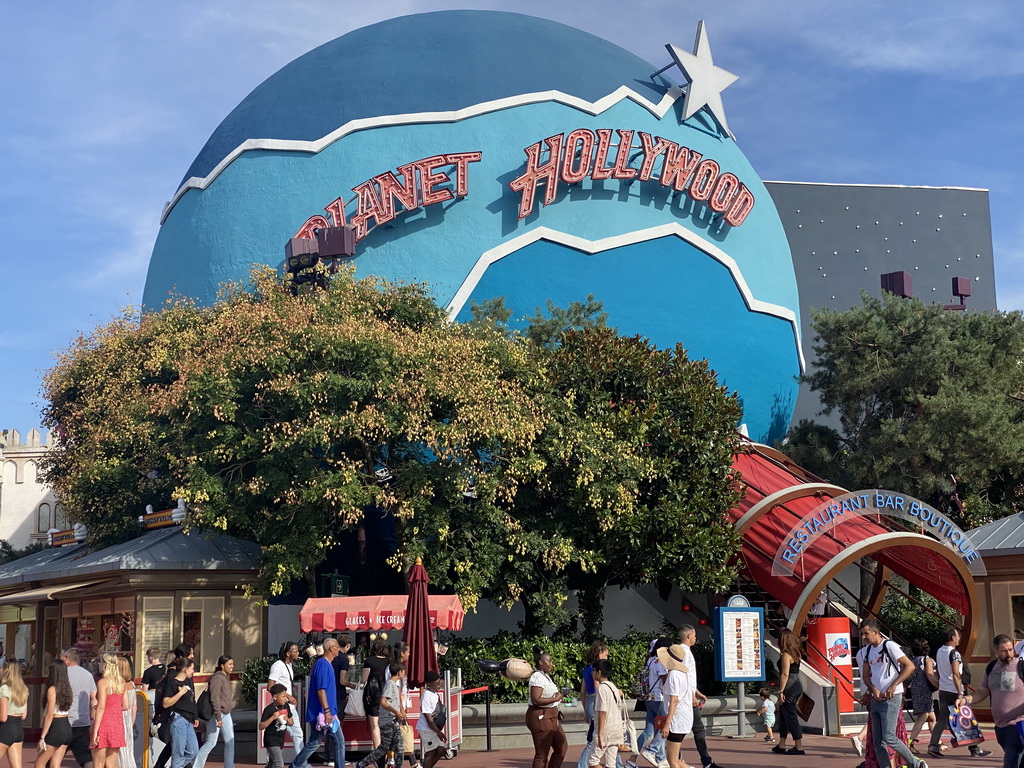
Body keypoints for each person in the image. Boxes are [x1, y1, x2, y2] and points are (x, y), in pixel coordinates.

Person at [856, 619, 927, 768]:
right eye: (862, 634)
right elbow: (865, 675)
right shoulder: (867, 651)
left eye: (866, 634)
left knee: (889, 736)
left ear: (875, 632)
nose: (864, 637)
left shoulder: (889, 646)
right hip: (876, 698)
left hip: (891, 698)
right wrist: (872, 689)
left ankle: (916, 763)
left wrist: (894, 685)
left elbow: (910, 666)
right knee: (877, 741)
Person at [927, 626, 990, 758]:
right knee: (966, 718)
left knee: (942, 720)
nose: (959, 638)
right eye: (957, 636)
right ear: (952, 638)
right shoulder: (954, 653)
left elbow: (938, 670)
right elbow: (956, 674)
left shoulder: (939, 651)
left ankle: (933, 745)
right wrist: (960, 692)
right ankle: (974, 748)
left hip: (944, 689)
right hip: (955, 690)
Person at [970, 633, 1024, 768]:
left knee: (1010, 762)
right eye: (1004, 651)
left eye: (1011, 649)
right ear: (996, 652)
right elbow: (982, 690)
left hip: (1017, 725)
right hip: (1000, 728)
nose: (1009, 654)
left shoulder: (1021, 667)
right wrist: (966, 699)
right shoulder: (991, 667)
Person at [290, 638, 346, 768]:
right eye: (337, 646)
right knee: (337, 741)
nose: (338, 649)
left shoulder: (325, 664)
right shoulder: (323, 664)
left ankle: (295, 765)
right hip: (322, 712)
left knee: (315, 742)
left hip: (326, 711)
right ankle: (295, 765)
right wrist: (327, 711)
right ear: (331, 648)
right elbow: (321, 690)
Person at [678, 626, 721, 768]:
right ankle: (706, 762)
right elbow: (684, 676)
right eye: (694, 635)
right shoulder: (685, 652)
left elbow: (687, 676)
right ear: (689, 636)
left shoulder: (682, 651)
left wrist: (696, 691)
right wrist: (692, 696)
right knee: (697, 730)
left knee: (682, 730)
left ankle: (676, 758)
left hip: (687, 695)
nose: (696, 638)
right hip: (686, 698)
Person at [356, 662, 405, 768]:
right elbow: (383, 701)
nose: (404, 674)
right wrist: (396, 712)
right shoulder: (390, 685)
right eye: (403, 672)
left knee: (399, 747)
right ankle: (362, 764)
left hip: (393, 721)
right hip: (387, 721)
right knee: (384, 748)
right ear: (399, 672)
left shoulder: (393, 685)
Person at [526, 649, 567, 768]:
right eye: (549, 661)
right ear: (540, 662)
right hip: (541, 717)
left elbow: (552, 696)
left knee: (561, 747)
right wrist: (555, 699)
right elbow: (536, 699)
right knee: (542, 754)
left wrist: (561, 699)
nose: (551, 664)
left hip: (552, 716)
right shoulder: (537, 677)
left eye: (551, 661)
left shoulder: (546, 677)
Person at [194, 655, 234, 768]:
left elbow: (224, 697)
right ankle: (197, 766)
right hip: (217, 714)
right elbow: (214, 698)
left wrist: (231, 704)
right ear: (222, 665)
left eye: (232, 664)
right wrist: (218, 717)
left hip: (226, 713)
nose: (232, 667)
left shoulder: (225, 677)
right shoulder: (217, 678)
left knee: (230, 742)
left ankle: (229, 766)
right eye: (229, 664)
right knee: (211, 743)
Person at [657, 643, 693, 768]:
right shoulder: (683, 674)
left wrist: (667, 724)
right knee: (676, 760)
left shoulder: (673, 675)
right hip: (683, 717)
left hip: (677, 719)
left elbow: (674, 700)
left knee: (672, 760)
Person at [772, 627, 805, 756]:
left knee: (790, 715)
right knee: (784, 714)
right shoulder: (796, 653)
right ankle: (782, 743)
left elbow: (785, 674)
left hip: (789, 685)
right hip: (796, 683)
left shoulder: (786, 654)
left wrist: (780, 691)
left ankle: (799, 746)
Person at [61, 648, 96, 768]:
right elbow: (93, 698)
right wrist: (93, 717)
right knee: (85, 756)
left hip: (64, 720)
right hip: (82, 720)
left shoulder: (63, 674)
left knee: (53, 755)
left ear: (66, 658)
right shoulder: (88, 675)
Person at [638, 638, 670, 768]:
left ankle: (635, 755)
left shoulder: (650, 660)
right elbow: (666, 681)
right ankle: (651, 751)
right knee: (665, 728)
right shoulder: (660, 662)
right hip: (659, 698)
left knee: (649, 730)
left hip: (649, 699)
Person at [91, 653, 126, 768]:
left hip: (104, 722)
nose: (99, 664)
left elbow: (101, 707)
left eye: (101, 662)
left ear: (106, 665)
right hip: (117, 723)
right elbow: (126, 705)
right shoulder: (121, 683)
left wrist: (95, 730)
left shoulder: (103, 682)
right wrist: (114, 709)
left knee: (98, 764)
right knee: (111, 764)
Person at [162, 657, 198, 768]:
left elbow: (192, 700)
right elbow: (165, 703)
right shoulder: (173, 683)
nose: (193, 671)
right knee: (178, 754)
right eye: (191, 668)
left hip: (188, 720)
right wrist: (180, 693)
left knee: (193, 751)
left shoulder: (188, 681)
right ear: (185, 669)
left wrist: (195, 716)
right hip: (178, 719)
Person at [36, 660, 73, 768]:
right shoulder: (67, 688)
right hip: (66, 725)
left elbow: (49, 714)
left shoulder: (52, 689)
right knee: (55, 764)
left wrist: (42, 737)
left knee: (40, 763)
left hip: (56, 727)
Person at [577, 642, 609, 768]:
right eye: (605, 655)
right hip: (597, 702)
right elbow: (598, 689)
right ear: (599, 653)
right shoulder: (597, 670)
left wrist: (586, 710)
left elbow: (582, 692)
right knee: (595, 737)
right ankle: (582, 765)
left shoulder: (587, 669)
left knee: (601, 735)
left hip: (590, 702)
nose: (606, 658)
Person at [269, 642, 305, 753]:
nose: (298, 653)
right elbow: (270, 686)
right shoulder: (278, 665)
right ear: (288, 653)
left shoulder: (288, 665)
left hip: (287, 706)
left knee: (291, 733)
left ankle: (300, 762)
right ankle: (301, 763)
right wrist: (288, 696)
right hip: (281, 707)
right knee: (295, 734)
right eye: (295, 651)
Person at [589, 659, 625, 768]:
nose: (592, 673)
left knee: (593, 761)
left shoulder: (601, 688)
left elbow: (602, 712)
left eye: (593, 670)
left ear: (599, 672)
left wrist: (600, 734)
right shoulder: (613, 687)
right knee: (611, 763)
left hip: (606, 730)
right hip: (616, 728)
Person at [907, 639, 936, 754]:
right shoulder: (927, 660)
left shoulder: (913, 660)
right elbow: (930, 675)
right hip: (926, 690)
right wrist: (939, 686)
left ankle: (935, 742)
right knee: (923, 716)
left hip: (915, 689)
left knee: (932, 717)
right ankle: (910, 742)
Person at [360, 637, 391, 749]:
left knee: (375, 725)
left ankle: (378, 753)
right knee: (387, 725)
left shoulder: (370, 660)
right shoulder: (389, 661)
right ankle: (388, 749)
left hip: (372, 696)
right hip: (387, 696)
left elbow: (364, 680)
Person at [0, 662, 28, 768]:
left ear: (7, 671)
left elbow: (3, 717)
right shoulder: (24, 689)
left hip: (5, 729)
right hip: (18, 729)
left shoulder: (5, 689)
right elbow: (24, 715)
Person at [418, 671, 446, 768]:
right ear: (429, 684)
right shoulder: (427, 696)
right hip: (426, 728)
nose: (439, 685)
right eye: (436, 684)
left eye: (439, 683)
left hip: (432, 729)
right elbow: (427, 716)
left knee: (441, 750)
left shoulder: (434, 694)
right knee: (431, 752)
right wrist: (438, 732)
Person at [261, 684, 293, 768]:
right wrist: (272, 718)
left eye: (285, 696)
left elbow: (291, 722)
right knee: (278, 763)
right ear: (275, 697)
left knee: (272, 763)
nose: (285, 698)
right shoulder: (269, 709)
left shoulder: (286, 706)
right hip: (271, 740)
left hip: (280, 739)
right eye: (283, 696)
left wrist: (287, 719)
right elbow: (261, 726)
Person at [116, 657, 137, 768]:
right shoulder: (132, 685)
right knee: (128, 744)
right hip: (129, 717)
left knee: (119, 746)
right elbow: (134, 707)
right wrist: (132, 722)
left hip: (120, 716)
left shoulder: (119, 686)